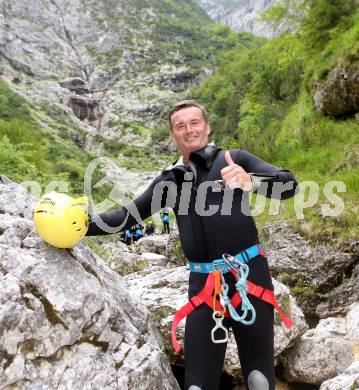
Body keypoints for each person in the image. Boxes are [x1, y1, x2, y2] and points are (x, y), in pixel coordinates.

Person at [86, 100, 298, 390]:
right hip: (204, 286)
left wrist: (252, 181)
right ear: (173, 134)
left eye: (195, 122)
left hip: (249, 277)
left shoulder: (233, 159)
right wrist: (81, 224)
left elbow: (289, 184)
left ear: (207, 127)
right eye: (180, 126)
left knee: (259, 380)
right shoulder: (169, 182)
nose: (189, 130)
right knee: (197, 386)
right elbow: (125, 216)